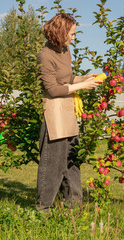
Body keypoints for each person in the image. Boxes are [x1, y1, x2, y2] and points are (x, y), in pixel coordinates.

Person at [36, 13, 102, 212]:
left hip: (67, 110)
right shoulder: (44, 55)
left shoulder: (65, 50)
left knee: (72, 160)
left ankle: (73, 206)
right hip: (54, 113)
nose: (74, 38)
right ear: (60, 32)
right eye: (71, 34)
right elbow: (53, 89)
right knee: (52, 164)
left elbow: (67, 78)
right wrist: (83, 87)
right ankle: (43, 209)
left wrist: (83, 78)